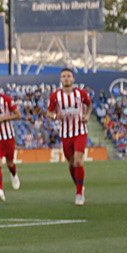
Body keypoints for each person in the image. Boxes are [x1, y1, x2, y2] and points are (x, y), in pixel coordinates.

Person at [46, 68, 92, 205]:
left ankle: (79, 194)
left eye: (68, 76)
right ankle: (79, 186)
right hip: (66, 134)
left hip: (80, 132)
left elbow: (89, 106)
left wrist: (87, 116)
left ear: (73, 79)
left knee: (78, 161)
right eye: (64, 76)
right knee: (71, 164)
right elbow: (48, 112)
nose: (66, 78)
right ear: (61, 79)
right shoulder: (55, 96)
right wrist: (55, 116)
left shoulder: (81, 94)